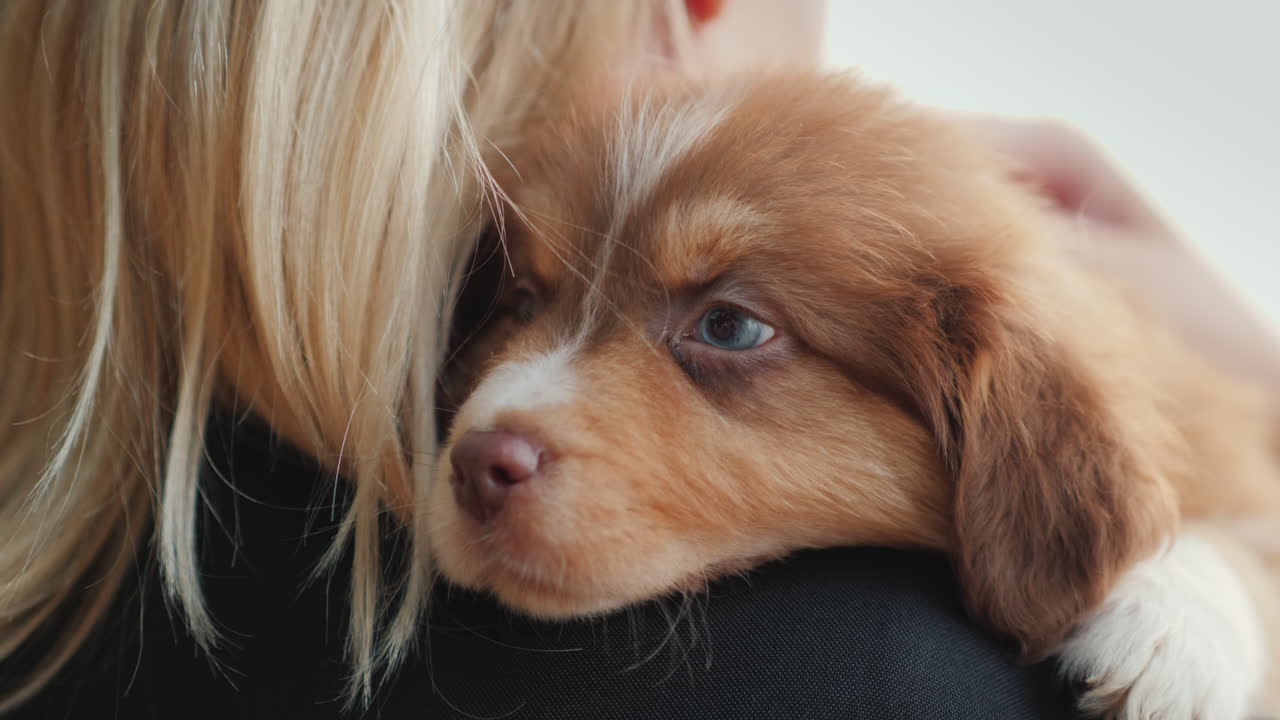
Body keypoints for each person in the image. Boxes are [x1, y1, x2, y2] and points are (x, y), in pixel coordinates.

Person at [0, 1, 1274, 718]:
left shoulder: (69, 566)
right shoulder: (879, 678)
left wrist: (1216, 558)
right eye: (524, 298)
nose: (498, 411)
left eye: (728, 328)